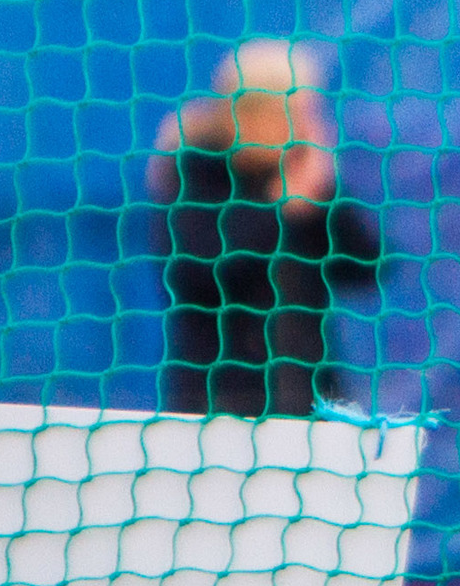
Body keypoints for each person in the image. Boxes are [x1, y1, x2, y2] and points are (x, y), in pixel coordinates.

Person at [153, 40, 383, 419]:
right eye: (295, 113)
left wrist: (323, 197)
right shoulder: (198, 174)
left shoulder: (299, 178)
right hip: (221, 402)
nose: (304, 126)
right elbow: (204, 268)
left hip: (307, 399)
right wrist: (281, 208)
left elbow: (365, 268)